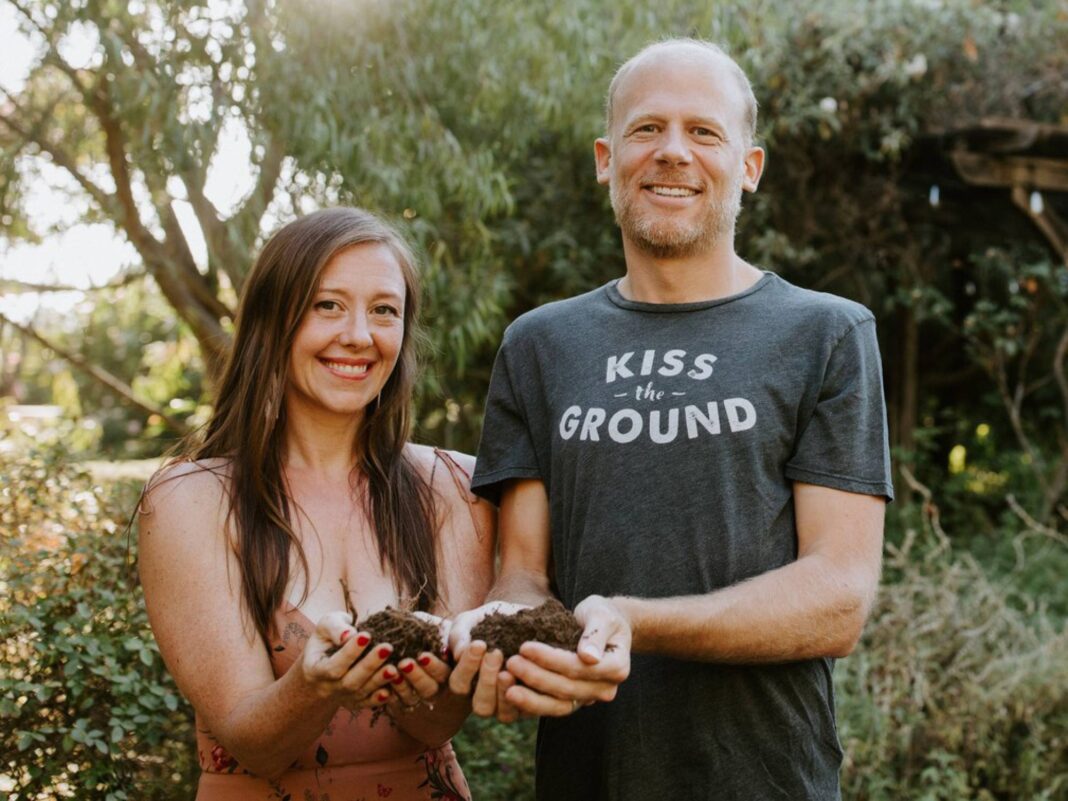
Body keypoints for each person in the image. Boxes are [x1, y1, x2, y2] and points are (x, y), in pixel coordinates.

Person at [448, 39, 894, 800]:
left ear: (748, 167)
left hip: (768, 778)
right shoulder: (540, 344)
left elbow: (838, 597)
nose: (673, 153)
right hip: (588, 776)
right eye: (647, 129)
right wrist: (506, 638)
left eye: (705, 132)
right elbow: (522, 574)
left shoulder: (827, 334)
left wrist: (633, 619)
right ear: (605, 157)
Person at [139, 207, 495, 801]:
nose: (359, 334)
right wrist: (312, 685)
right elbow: (256, 743)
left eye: (384, 310)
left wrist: (445, 672)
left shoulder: (453, 487)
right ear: (270, 322)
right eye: (327, 305)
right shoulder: (191, 500)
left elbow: (438, 722)